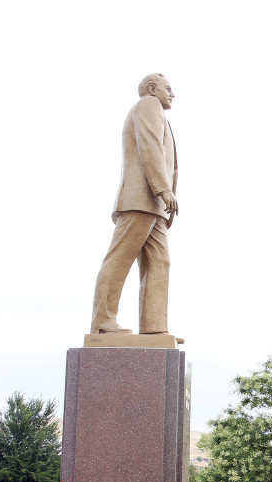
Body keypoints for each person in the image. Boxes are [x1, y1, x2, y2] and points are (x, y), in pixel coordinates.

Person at [90, 73, 179, 336]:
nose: (173, 93)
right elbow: (150, 145)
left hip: (154, 205)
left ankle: (154, 328)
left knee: (159, 262)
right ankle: (103, 322)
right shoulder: (147, 105)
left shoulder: (158, 112)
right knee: (120, 258)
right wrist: (162, 188)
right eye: (168, 88)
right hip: (141, 198)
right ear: (152, 89)